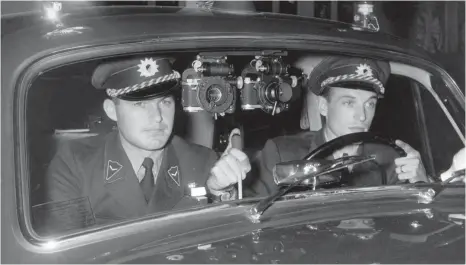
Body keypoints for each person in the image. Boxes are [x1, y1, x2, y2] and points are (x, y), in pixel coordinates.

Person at [44, 57, 250, 226]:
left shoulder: (202, 162)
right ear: (111, 110)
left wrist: (219, 192)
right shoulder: (75, 165)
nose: (158, 117)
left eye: (165, 102)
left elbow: (225, 235)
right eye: (140, 104)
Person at [250, 56, 430, 195]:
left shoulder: (391, 160)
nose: (362, 117)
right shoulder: (282, 154)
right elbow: (248, 215)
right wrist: (223, 187)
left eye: (370, 104)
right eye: (349, 103)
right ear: (323, 106)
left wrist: (423, 182)